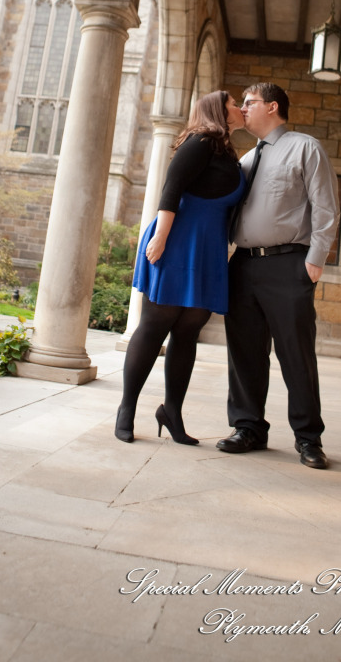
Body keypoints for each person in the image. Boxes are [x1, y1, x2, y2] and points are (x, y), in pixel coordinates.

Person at [217, 82, 339, 469]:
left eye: (248, 103)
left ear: (272, 107)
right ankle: (248, 427)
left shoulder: (305, 147)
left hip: (289, 264)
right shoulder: (247, 160)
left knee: (296, 355)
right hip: (243, 265)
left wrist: (315, 259)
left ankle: (308, 439)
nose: (243, 109)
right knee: (245, 353)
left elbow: (326, 206)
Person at [115, 90, 245, 445]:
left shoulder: (228, 153)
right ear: (219, 110)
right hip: (175, 241)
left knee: (189, 330)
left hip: (207, 252)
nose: (241, 108)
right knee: (155, 324)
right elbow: (171, 188)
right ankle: (126, 410)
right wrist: (159, 238)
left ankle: (172, 412)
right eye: (235, 103)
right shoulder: (200, 141)